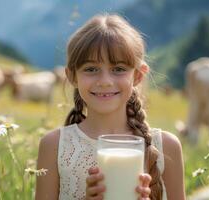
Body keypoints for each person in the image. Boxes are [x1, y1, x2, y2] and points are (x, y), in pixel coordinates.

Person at [35, 13, 185, 200]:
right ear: (72, 76)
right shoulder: (54, 146)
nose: (105, 81)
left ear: (138, 76)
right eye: (91, 69)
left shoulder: (166, 147)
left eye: (119, 69)